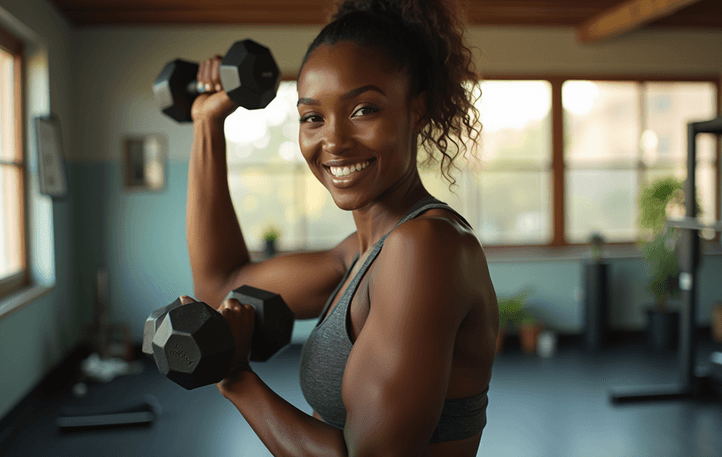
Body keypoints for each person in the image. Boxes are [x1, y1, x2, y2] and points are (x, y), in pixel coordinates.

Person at [182, 0, 499, 455]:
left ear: (418, 110)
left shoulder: (425, 247)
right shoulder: (359, 254)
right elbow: (221, 289)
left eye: (363, 109)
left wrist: (236, 379)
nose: (333, 141)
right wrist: (207, 123)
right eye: (313, 117)